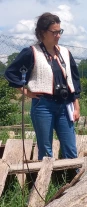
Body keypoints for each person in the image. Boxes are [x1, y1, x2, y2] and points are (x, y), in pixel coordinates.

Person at [5, 12, 81, 160]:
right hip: (43, 105)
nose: (58, 35)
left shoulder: (65, 53)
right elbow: (11, 72)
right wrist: (25, 91)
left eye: (60, 31)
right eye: (54, 32)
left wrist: (76, 105)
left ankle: (76, 180)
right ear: (42, 33)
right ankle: (45, 182)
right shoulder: (31, 52)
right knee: (46, 149)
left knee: (71, 148)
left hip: (65, 105)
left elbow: (73, 80)